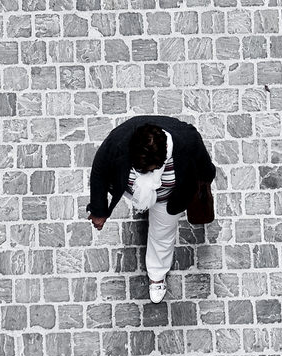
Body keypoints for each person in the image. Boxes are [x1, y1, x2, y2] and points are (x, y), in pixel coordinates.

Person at [86, 116, 216, 303]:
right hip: (134, 192)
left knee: (163, 234)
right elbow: (99, 171)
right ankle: (144, 205)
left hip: (170, 198)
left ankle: (157, 274)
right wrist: (99, 210)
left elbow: (205, 170)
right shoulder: (118, 140)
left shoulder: (187, 139)